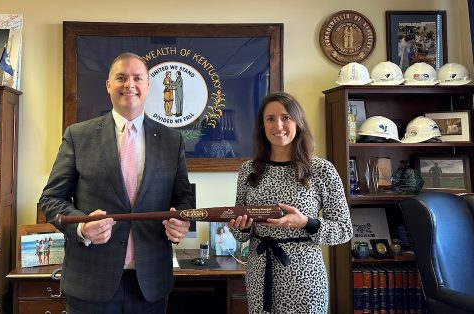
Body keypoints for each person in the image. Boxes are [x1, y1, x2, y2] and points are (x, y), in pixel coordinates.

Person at [39, 52, 195, 314]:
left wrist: (182, 221)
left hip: (151, 284)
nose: (129, 84)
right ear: (109, 85)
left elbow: (184, 199)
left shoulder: (172, 140)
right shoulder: (79, 135)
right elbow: (51, 200)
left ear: (147, 85)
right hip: (90, 282)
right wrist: (81, 227)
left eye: (137, 78)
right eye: (121, 77)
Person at [227, 92, 353, 313]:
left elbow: (344, 229)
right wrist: (240, 227)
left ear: (298, 121)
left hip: (305, 278)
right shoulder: (248, 170)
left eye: (286, 117)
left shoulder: (322, 170)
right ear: (262, 126)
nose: (278, 125)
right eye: (270, 119)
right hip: (260, 273)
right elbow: (241, 234)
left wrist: (306, 223)